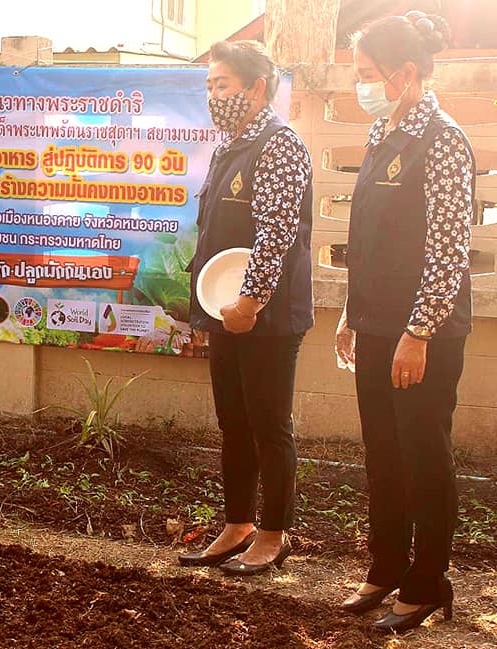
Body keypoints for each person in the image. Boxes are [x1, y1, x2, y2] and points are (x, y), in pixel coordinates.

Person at [335, 11, 474, 633]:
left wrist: (417, 334)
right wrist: (350, 314)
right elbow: (365, 236)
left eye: (368, 74)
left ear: (405, 73)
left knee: (423, 456)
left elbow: (448, 252)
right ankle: (385, 568)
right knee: (383, 455)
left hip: (425, 334)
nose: (360, 85)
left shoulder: (442, 141)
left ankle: (426, 583)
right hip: (375, 325)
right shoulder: (381, 134)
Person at [178, 40, 313, 576]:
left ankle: (274, 534)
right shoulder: (228, 146)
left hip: (266, 316)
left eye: (223, 85)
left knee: (268, 424)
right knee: (233, 422)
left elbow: (275, 232)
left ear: (255, 89)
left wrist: (251, 302)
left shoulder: (281, 145)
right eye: (209, 86)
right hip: (225, 310)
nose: (214, 95)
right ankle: (238, 525)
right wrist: (215, 309)